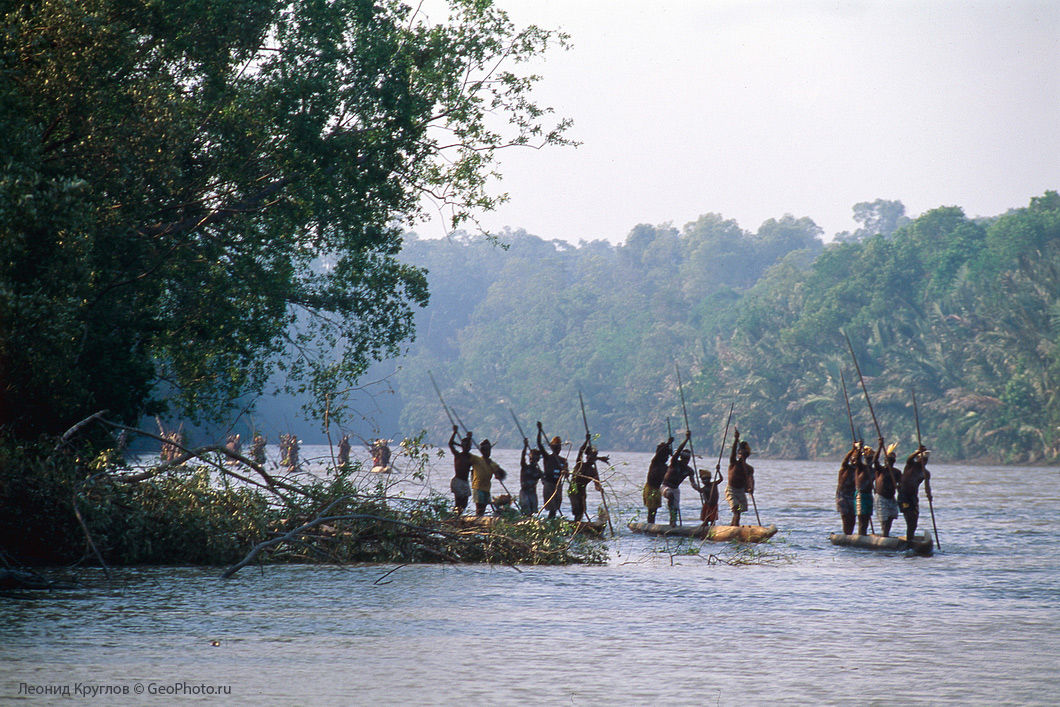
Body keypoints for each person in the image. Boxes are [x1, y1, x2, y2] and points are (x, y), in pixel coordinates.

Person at [661, 432, 699, 526]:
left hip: (675, 489)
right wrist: (686, 439)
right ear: (681, 458)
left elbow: (693, 483)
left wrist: (699, 489)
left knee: (676, 508)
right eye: (684, 458)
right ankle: (672, 519)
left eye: (687, 459)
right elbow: (678, 452)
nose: (686, 460)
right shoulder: (675, 462)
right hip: (665, 486)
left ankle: (673, 523)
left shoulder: (689, 470)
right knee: (670, 495)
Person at [568, 433, 604, 523]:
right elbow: (580, 450)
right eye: (591, 457)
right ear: (587, 457)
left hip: (582, 492)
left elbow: (597, 485)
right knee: (577, 511)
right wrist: (586, 441)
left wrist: (600, 488)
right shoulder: (579, 464)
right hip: (574, 490)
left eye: (594, 457)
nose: (592, 459)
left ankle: (579, 525)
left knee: (582, 511)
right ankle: (576, 525)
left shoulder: (593, 471)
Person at [898, 445, 931, 540]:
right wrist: (917, 452)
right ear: (918, 459)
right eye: (922, 459)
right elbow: (909, 458)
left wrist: (929, 495)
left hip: (913, 497)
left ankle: (910, 538)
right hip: (903, 496)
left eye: (926, 460)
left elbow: (927, 486)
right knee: (909, 518)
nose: (924, 462)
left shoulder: (926, 473)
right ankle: (909, 540)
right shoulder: (910, 465)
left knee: (914, 520)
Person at [537, 422, 568, 519]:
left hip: (558, 485)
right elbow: (539, 445)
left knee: (556, 507)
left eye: (558, 447)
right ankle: (550, 522)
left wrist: (565, 472)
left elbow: (567, 475)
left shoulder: (563, 461)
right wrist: (539, 431)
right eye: (555, 447)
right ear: (552, 447)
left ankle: (553, 521)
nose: (557, 449)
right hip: (549, 484)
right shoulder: (547, 458)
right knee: (551, 507)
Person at [469, 438, 507, 517]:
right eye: (485, 450)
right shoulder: (477, 460)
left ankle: (480, 520)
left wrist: (498, 474)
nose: (487, 452)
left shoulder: (492, 463)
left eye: (488, 450)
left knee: (483, 508)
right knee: (479, 508)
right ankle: (477, 520)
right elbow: (466, 455)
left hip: (486, 489)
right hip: (478, 488)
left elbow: (502, 474)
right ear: (482, 451)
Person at [726, 428, 754, 526]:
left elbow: (751, 480)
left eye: (744, 454)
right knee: (736, 510)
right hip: (731, 490)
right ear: (739, 454)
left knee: (738, 511)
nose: (742, 456)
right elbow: (733, 453)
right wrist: (735, 439)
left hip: (740, 491)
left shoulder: (749, 469)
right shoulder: (734, 463)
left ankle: (733, 526)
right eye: (741, 454)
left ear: (747, 456)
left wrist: (751, 489)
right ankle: (734, 527)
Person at [873, 438, 901, 537]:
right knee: (884, 520)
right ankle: (884, 536)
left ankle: (886, 535)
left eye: (891, 460)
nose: (889, 462)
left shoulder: (896, 472)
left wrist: (899, 487)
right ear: (885, 461)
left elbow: (900, 484)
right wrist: (880, 446)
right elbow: (875, 460)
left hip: (891, 498)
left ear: (894, 461)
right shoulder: (880, 470)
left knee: (890, 517)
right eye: (887, 460)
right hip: (881, 498)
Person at [643, 435, 674, 524]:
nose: (667, 458)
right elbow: (658, 453)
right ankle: (650, 524)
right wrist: (668, 443)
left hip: (657, 489)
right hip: (650, 488)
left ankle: (670, 521)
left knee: (655, 510)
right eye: (665, 456)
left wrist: (672, 453)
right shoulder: (655, 462)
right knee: (651, 510)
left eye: (668, 456)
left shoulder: (665, 467)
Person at [448, 425, 473, 515]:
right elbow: (450, 444)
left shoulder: (470, 458)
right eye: (467, 445)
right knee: (458, 504)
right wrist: (454, 433)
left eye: (469, 446)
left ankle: (458, 517)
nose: (468, 447)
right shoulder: (458, 455)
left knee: (464, 504)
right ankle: (455, 517)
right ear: (463, 446)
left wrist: (469, 438)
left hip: (465, 482)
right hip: (458, 481)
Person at [836, 441, 858, 535]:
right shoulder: (845, 468)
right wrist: (853, 450)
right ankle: (846, 535)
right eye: (852, 459)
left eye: (855, 460)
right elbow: (845, 460)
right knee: (845, 517)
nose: (854, 461)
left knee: (852, 517)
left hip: (852, 496)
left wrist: (859, 451)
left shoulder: (858, 470)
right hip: (842, 496)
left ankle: (850, 535)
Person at [519, 437, 544, 516]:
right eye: (531, 459)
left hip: (533, 493)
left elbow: (544, 481)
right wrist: (525, 446)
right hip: (524, 492)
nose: (532, 460)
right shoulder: (525, 467)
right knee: (526, 511)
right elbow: (522, 458)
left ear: (537, 460)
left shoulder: (538, 471)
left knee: (532, 512)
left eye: (534, 459)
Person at [855, 442, 875, 535]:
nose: (869, 460)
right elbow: (857, 460)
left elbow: (877, 461)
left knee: (867, 517)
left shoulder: (873, 470)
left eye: (871, 458)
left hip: (869, 495)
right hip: (861, 494)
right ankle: (861, 535)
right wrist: (859, 449)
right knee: (862, 518)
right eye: (868, 458)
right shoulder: (861, 468)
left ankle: (864, 534)